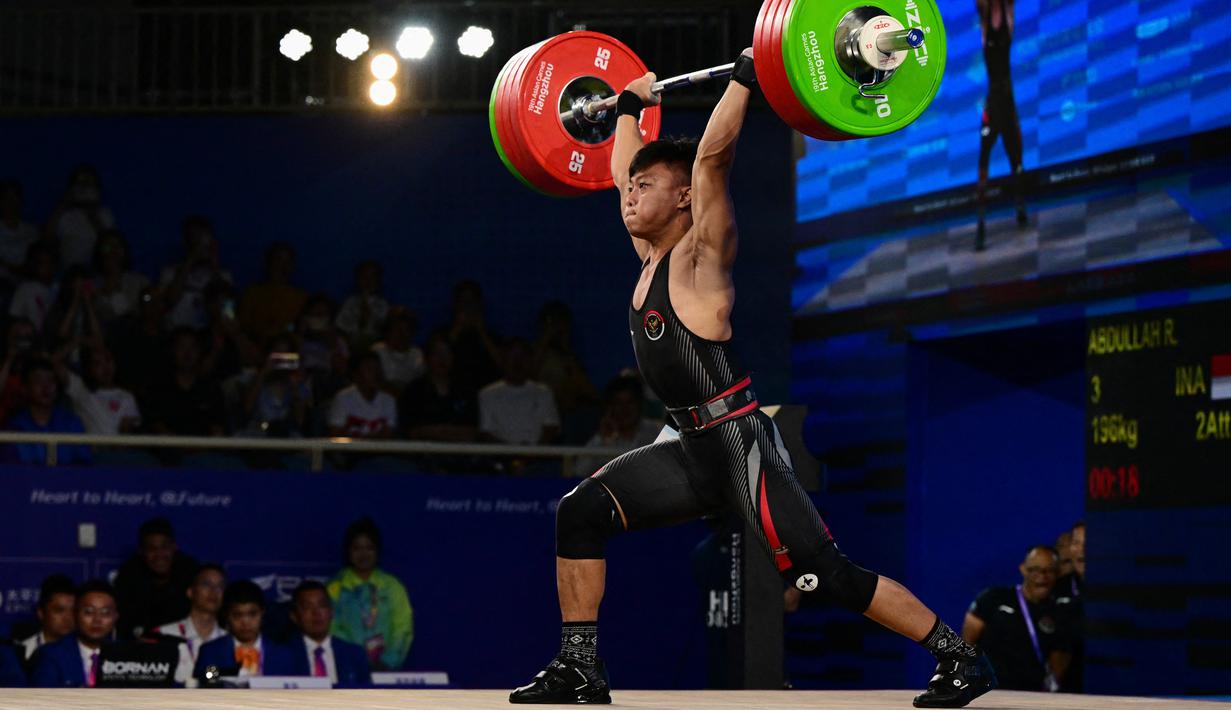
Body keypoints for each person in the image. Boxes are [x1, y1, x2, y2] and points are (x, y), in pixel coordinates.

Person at [509, 53, 996, 708]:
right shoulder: (649, 257)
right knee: (580, 512)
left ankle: (960, 658)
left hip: (742, 448)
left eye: (644, 186)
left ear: (682, 197)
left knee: (825, 578)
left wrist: (744, 77)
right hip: (690, 450)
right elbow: (624, 166)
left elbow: (711, 161)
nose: (628, 194)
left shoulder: (700, 257)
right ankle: (578, 669)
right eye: (629, 187)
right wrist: (626, 107)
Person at [962, 545, 1075, 692]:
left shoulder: (1060, 611)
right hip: (989, 692)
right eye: (1034, 569)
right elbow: (967, 643)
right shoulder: (993, 598)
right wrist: (969, 679)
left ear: (1058, 573)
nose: (1042, 576)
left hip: (1032, 695)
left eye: (1049, 570)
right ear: (1023, 569)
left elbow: (1059, 659)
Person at [327, 518, 413, 671]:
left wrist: (388, 661)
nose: (363, 554)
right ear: (348, 551)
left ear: (377, 551)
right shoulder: (335, 587)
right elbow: (332, 629)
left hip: (387, 669)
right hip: (347, 670)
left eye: (369, 548)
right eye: (357, 548)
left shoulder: (392, 586)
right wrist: (354, 660)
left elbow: (403, 628)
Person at [974, 0, 1027, 250]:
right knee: (983, 160)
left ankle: (1020, 207)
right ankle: (981, 226)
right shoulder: (984, 23)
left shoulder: (1008, 16)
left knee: (1016, 161)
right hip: (992, 105)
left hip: (1009, 104)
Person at [113, 518, 200, 639]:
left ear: (175, 547)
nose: (159, 555)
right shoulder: (128, 577)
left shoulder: (191, 574)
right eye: (152, 549)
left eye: (164, 547)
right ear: (141, 552)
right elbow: (124, 628)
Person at [195, 580, 294, 681]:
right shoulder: (211, 652)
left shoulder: (283, 655)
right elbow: (205, 685)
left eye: (252, 614)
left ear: (262, 612)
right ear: (227, 615)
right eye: (237, 615)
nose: (245, 622)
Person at [2, 356, 93, 466]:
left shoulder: (71, 423)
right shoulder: (15, 427)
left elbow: (84, 466)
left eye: (51, 380)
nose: (46, 386)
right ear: (25, 388)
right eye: (38, 380)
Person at [30, 579, 118, 687]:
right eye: (88, 612)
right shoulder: (51, 655)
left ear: (116, 616)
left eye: (105, 613)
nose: (97, 620)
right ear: (75, 614)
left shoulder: (126, 655)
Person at [142, 327, 227, 437]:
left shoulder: (211, 388)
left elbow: (218, 428)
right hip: (168, 450)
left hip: (205, 451)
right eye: (182, 347)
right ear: (172, 351)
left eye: (193, 347)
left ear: (200, 351)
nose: (188, 353)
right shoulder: (159, 386)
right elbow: (156, 426)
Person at [288, 580, 372, 688]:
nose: (316, 613)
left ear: (331, 611)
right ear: (294, 616)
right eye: (307, 607)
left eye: (322, 605)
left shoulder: (355, 654)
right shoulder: (285, 655)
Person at [155, 563, 227, 684]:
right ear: (190, 592)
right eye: (206, 584)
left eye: (220, 586)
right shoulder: (162, 634)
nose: (214, 591)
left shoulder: (228, 641)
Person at [478, 338, 560, 445]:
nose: (518, 362)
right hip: (501, 457)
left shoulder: (544, 392)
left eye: (523, 356)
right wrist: (513, 451)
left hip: (538, 457)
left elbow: (551, 427)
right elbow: (486, 432)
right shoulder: (487, 394)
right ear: (504, 360)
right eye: (513, 356)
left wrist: (534, 451)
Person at [574, 374, 660, 476]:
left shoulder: (657, 431)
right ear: (610, 407)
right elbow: (579, 471)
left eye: (630, 402)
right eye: (618, 403)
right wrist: (602, 439)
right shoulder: (603, 438)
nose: (624, 409)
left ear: (640, 404)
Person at [400, 331, 478, 443]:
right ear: (426, 358)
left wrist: (435, 432)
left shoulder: (466, 390)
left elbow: (471, 433)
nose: (442, 359)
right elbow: (411, 432)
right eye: (437, 353)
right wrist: (447, 433)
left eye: (447, 353)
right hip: (422, 457)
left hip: (461, 457)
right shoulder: (413, 391)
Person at [45, 165, 116, 269]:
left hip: (97, 274)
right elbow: (46, 242)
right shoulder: (64, 215)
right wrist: (63, 204)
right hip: (70, 274)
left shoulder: (105, 215)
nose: (85, 188)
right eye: (80, 183)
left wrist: (93, 216)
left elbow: (111, 248)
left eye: (90, 183)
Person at [237, 241, 308, 344]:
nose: (283, 266)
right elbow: (243, 325)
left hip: (288, 351)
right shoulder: (253, 293)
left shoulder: (301, 297)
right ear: (268, 263)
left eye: (288, 262)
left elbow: (301, 329)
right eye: (278, 259)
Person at [328, 351, 396, 439]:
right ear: (356, 374)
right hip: (349, 451)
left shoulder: (388, 400)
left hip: (380, 452)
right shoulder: (343, 398)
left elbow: (389, 434)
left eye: (377, 369)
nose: (376, 374)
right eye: (369, 369)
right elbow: (336, 434)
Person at [91, 230, 150, 326]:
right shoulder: (91, 285)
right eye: (107, 247)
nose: (112, 251)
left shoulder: (141, 283)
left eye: (117, 246)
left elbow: (136, 315)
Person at [18, 575, 77, 664]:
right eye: (59, 610)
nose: (68, 618)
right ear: (41, 612)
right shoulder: (23, 651)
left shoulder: (87, 651)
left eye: (73, 611)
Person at [335, 260, 389, 350]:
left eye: (372, 277)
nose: (368, 281)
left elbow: (384, 329)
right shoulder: (350, 302)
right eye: (364, 277)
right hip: (350, 345)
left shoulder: (383, 305)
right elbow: (340, 327)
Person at [371, 306, 424, 396]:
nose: (400, 335)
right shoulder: (377, 351)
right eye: (396, 329)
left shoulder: (417, 355)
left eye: (405, 330)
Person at [8, 242, 57, 333]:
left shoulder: (55, 290)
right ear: (34, 265)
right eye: (43, 263)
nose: (48, 267)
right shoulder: (25, 289)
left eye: (50, 263)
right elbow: (14, 319)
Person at [0, 179, 39, 288]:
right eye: (7, 197)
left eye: (15, 197)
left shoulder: (31, 232)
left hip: (26, 286)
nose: (11, 202)